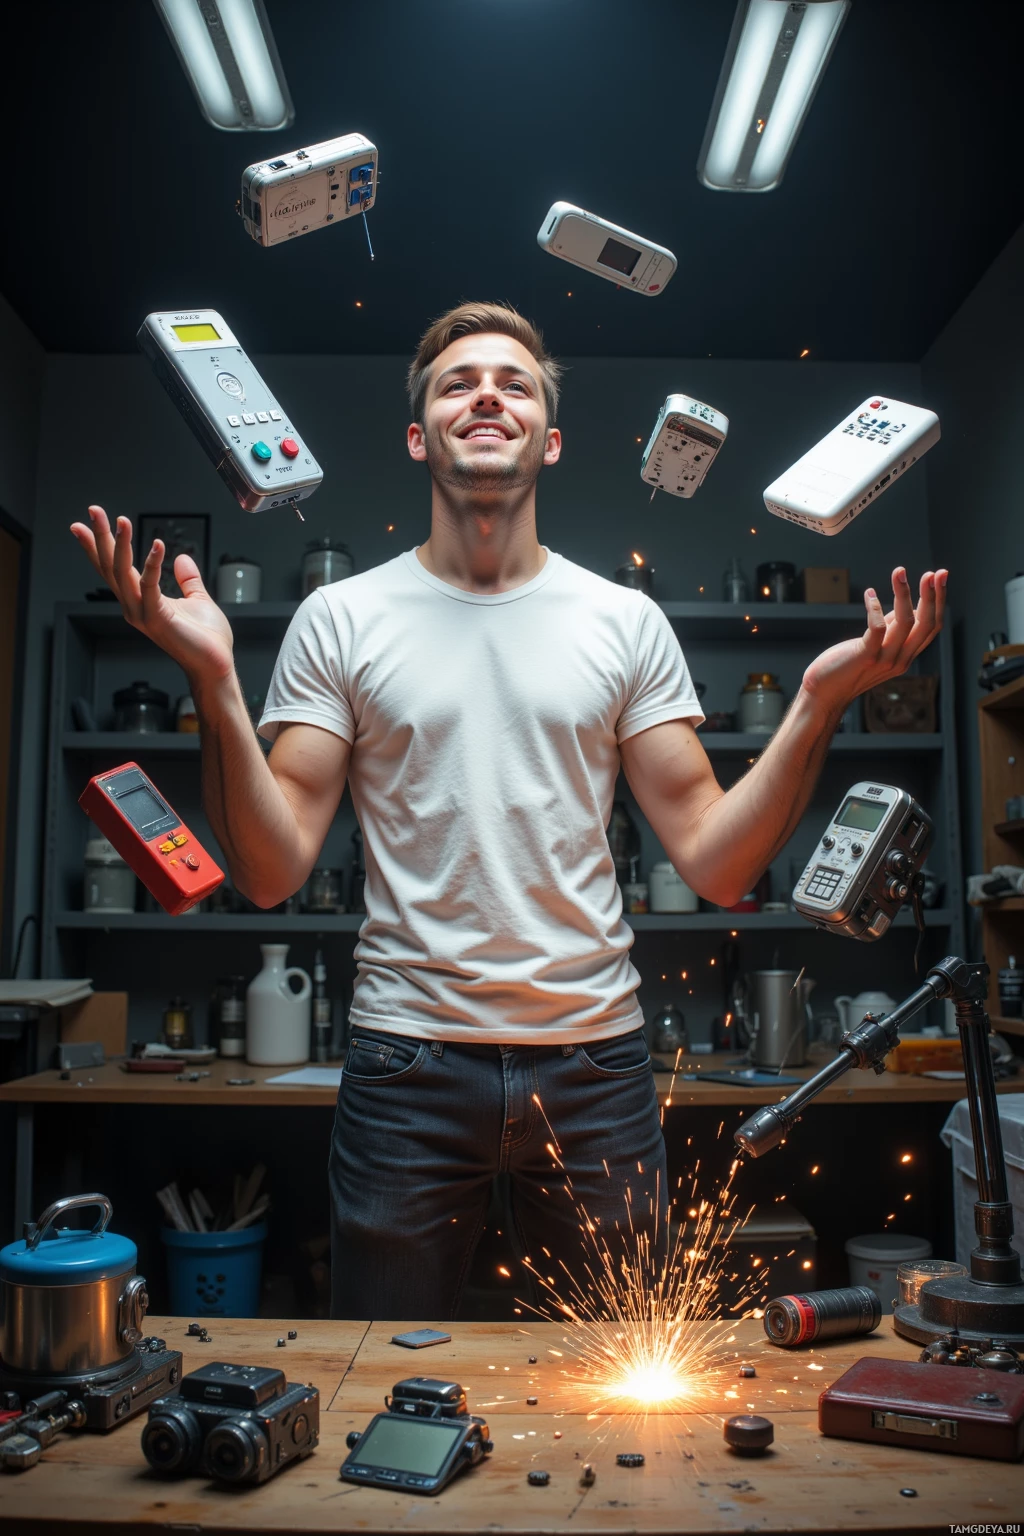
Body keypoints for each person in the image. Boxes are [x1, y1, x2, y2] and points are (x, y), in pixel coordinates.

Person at [71, 301, 947, 1320]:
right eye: (457, 382)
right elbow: (270, 872)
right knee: (378, 1374)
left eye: (514, 383)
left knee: (615, 1385)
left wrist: (818, 699)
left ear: (551, 438)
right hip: (405, 1064)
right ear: (418, 435)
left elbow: (716, 864)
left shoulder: (624, 622)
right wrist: (215, 677)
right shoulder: (338, 617)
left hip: (594, 1067)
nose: (486, 393)